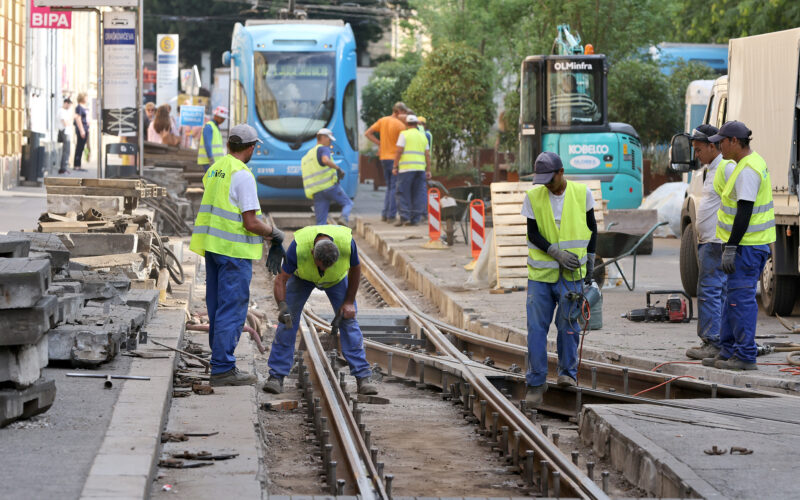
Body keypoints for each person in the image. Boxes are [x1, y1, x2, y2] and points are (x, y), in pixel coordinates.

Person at [189, 123, 287, 386]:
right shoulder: (242, 175)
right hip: (233, 253)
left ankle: (220, 362)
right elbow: (251, 222)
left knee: (217, 307)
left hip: (212, 249)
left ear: (229, 144)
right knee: (232, 309)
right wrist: (275, 234)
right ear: (252, 148)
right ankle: (222, 368)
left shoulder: (216, 168)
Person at [262, 224, 378, 396]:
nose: (323, 271)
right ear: (311, 254)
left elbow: (356, 269)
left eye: (328, 266)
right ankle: (276, 376)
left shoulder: (347, 243)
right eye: (321, 266)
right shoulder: (299, 247)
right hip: (303, 279)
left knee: (348, 320)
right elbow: (281, 280)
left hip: (336, 281)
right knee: (288, 322)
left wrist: (349, 302)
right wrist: (283, 306)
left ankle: (363, 377)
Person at [521, 152, 597, 405]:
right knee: (536, 329)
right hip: (541, 275)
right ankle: (535, 382)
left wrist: (592, 259)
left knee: (568, 326)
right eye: (541, 180)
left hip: (572, 274)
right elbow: (533, 233)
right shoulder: (533, 197)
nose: (546, 185)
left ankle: (567, 375)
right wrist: (554, 251)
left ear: (561, 172)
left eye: (549, 180)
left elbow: (592, 228)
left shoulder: (581, 193)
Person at [705, 121, 775, 371]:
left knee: (740, 300)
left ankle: (745, 355)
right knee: (731, 299)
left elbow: (744, 212)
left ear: (734, 142)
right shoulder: (744, 164)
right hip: (745, 246)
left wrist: (732, 247)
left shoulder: (747, 171)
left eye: (721, 142)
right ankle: (728, 351)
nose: (718, 146)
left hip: (747, 247)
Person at [685, 125, 733, 360]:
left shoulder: (725, 167)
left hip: (716, 241)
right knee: (717, 291)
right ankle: (719, 340)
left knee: (710, 291)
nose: (696, 155)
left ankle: (713, 341)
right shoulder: (713, 169)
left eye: (698, 149)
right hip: (711, 241)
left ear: (712, 146)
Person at [365, 102, 408, 222]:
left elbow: (368, 133)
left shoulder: (383, 120)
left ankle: (385, 213)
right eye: (404, 113)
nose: (405, 116)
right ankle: (391, 215)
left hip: (383, 158)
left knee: (389, 187)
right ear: (399, 111)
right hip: (395, 159)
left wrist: (380, 143)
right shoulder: (401, 126)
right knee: (394, 187)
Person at [301, 128, 352, 226]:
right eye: (329, 139)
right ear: (323, 137)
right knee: (347, 203)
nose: (330, 141)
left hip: (317, 191)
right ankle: (344, 218)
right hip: (330, 187)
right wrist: (338, 169)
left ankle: (320, 240)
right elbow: (325, 160)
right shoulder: (324, 149)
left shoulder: (308, 155)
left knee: (320, 222)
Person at [392, 114, 431, 226]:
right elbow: (427, 155)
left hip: (406, 169)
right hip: (420, 169)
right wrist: (428, 170)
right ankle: (415, 218)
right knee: (418, 194)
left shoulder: (404, 134)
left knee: (403, 193)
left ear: (407, 124)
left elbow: (399, 151)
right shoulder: (422, 136)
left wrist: (395, 166)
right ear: (417, 124)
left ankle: (405, 217)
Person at [73, 93, 89, 171]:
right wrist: (82, 130)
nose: (87, 99)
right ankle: (76, 165)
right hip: (82, 129)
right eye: (86, 97)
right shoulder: (79, 107)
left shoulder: (84, 107)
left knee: (82, 147)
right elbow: (78, 119)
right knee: (79, 147)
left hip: (86, 128)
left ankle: (79, 165)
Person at [57, 97, 73, 175]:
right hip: (64, 131)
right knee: (66, 151)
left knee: (66, 151)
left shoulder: (64, 111)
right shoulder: (61, 111)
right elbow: (64, 122)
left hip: (66, 132)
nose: (69, 107)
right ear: (66, 103)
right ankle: (63, 168)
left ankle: (64, 168)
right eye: (69, 105)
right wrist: (68, 123)